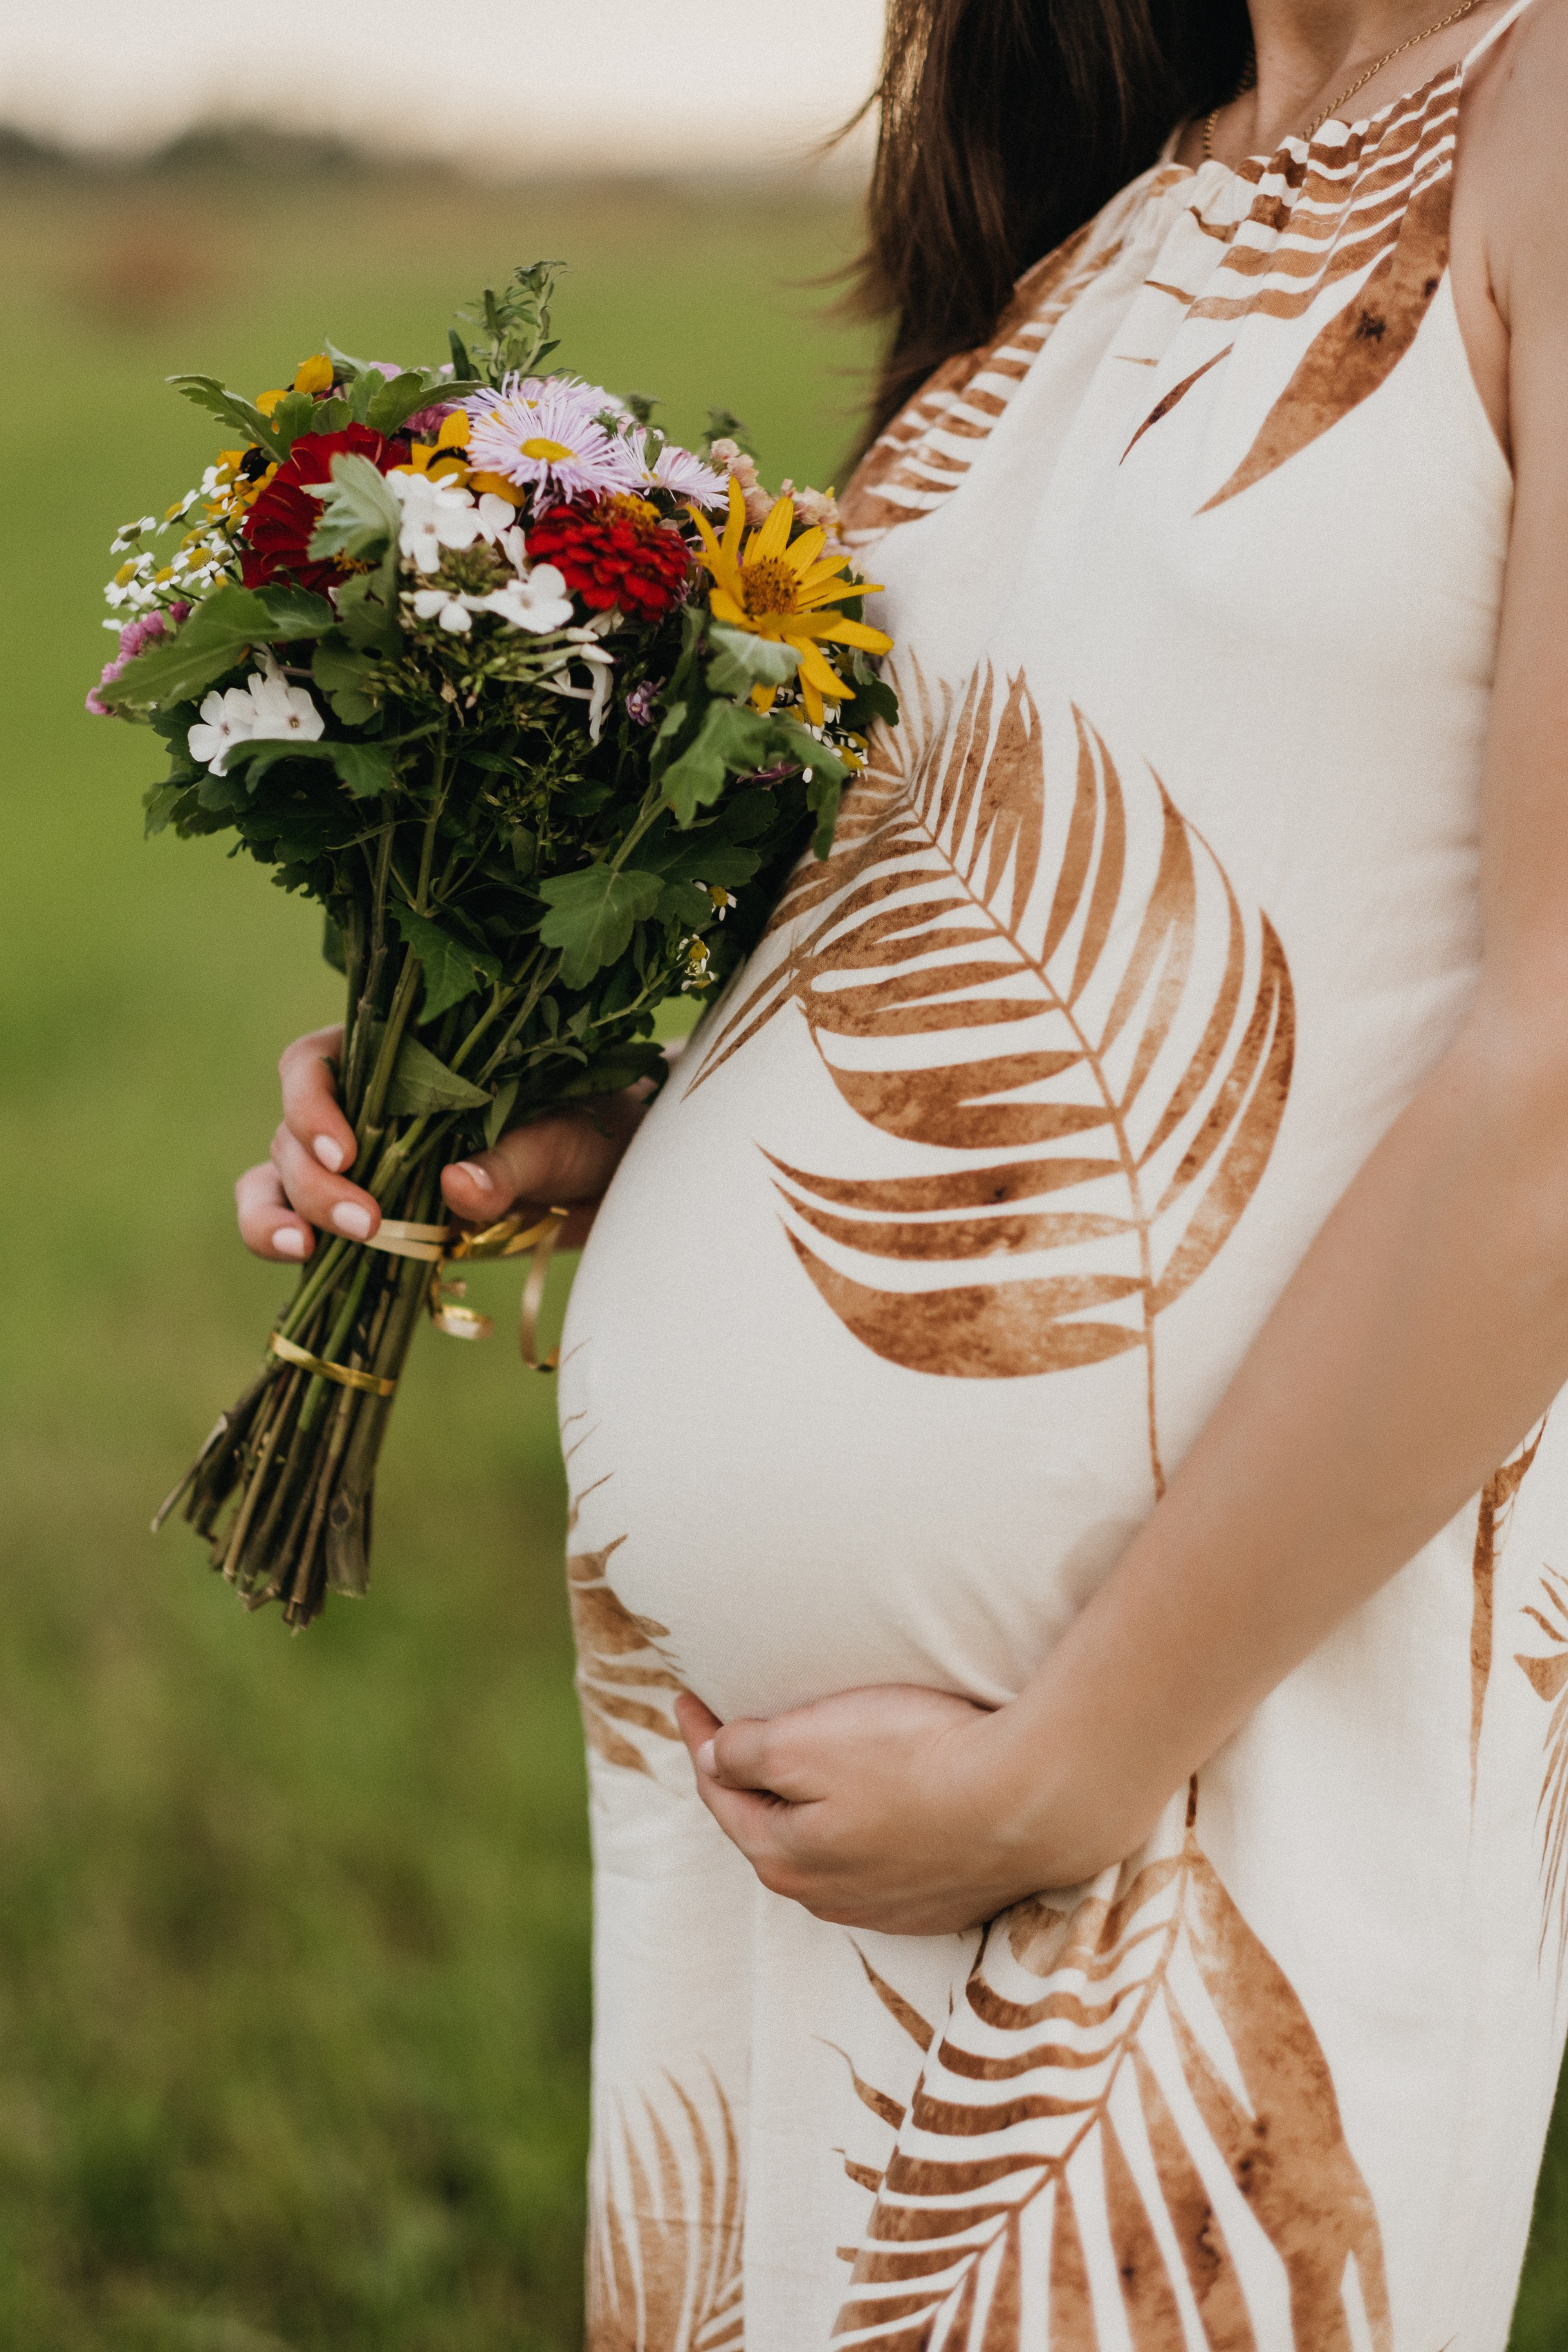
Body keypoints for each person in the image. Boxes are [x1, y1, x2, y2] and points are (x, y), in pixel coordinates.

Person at [236, 0, 1568, 2341]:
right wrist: (623, 1124)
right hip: (769, 1807)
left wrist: (1079, 1756)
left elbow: (1555, 1057)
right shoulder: (1127, 200)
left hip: (1181, 1793)